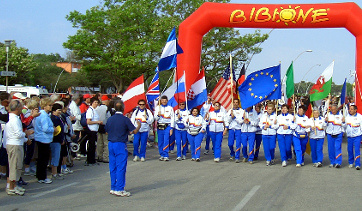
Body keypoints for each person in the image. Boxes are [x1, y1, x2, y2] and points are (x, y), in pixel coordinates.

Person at [105, 99, 141, 197]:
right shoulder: (125, 119)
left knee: (113, 166)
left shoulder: (110, 119)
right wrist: (139, 126)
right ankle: (120, 189)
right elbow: (134, 131)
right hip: (120, 144)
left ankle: (113, 187)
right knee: (121, 167)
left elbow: (106, 131)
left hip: (111, 143)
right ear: (123, 108)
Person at [4, 100, 32, 195]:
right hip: (14, 145)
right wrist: (26, 134)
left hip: (16, 144)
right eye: (20, 107)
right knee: (14, 166)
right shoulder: (14, 120)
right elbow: (18, 134)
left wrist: (25, 139)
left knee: (17, 166)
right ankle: (11, 187)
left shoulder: (15, 118)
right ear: (17, 108)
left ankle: (14, 185)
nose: (21, 109)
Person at [34, 97, 57, 184]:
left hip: (43, 139)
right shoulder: (43, 115)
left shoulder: (44, 115)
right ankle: (42, 177)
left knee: (42, 159)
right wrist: (53, 129)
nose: (51, 107)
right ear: (44, 106)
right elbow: (45, 128)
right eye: (49, 105)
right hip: (43, 139)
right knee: (43, 159)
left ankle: (40, 176)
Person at [154, 96, 174, 161]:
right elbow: (155, 118)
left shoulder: (170, 108)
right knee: (160, 141)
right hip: (160, 126)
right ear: (161, 101)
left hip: (167, 126)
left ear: (167, 101)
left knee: (166, 140)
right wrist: (158, 115)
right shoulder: (158, 108)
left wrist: (171, 128)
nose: (164, 102)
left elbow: (172, 118)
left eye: (165, 100)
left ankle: (166, 155)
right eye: (163, 100)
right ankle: (161, 154)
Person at [259, 102, 278, 166]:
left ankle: (272, 157)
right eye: (268, 109)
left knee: (272, 147)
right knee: (266, 148)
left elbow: (276, 126)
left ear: (273, 109)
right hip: (265, 134)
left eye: (270, 109)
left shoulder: (275, 116)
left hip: (272, 134)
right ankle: (268, 159)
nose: (268, 110)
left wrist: (270, 126)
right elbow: (260, 123)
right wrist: (263, 127)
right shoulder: (263, 115)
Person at [342, 104, 361, 170]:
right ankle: (351, 162)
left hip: (357, 136)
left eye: (351, 109)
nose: (350, 110)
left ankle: (357, 164)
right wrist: (343, 122)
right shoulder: (347, 117)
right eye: (349, 109)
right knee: (349, 150)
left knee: (357, 150)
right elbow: (344, 126)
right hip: (350, 136)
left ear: (355, 110)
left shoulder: (359, 117)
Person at [85, 97, 103, 166]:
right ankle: (90, 160)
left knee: (93, 145)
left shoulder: (95, 110)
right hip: (91, 130)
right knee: (91, 145)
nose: (96, 104)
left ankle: (92, 159)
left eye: (97, 102)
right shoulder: (90, 110)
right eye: (95, 102)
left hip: (95, 130)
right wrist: (97, 122)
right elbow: (88, 121)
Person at [325, 104, 344, 168]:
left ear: (337, 109)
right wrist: (325, 121)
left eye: (334, 109)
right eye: (332, 110)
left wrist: (343, 122)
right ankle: (332, 162)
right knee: (331, 149)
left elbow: (344, 125)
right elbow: (324, 125)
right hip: (330, 134)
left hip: (338, 133)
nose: (333, 111)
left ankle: (338, 162)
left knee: (337, 147)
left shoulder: (341, 115)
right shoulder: (328, 115)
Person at [50, 103, 65, 180]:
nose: (60, 112)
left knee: (57, 156)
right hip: (55, 140)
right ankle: (54, 173)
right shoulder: (54, 119)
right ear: (54, 111)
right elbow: (57, 131)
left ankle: (57, 172)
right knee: (55, 157)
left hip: (58, 140)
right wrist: (60, 140)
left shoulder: (58, 118)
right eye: (58, 110)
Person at [96, 95, 112, 163]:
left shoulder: (97, 108)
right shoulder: (107, 109)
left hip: (98, 126)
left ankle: (99, 156)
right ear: (107, 101)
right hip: (105, 126)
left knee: (99, 142)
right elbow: (109, 119)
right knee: (106, 143)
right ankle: (105, 157)